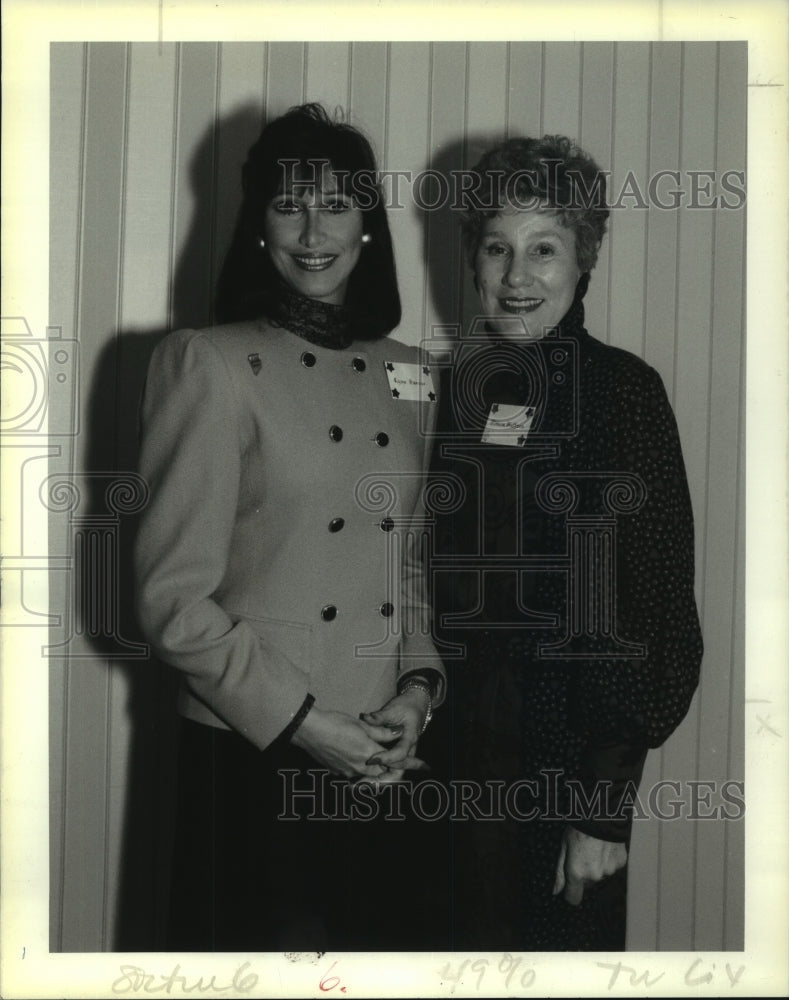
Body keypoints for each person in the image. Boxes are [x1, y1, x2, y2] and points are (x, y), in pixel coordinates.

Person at [134, 103, 444, 951]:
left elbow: (407, 568)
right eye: (287, 203)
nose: (313, 230)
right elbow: (172, 602)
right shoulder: (209, 362)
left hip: (382, 752)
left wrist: (417, 689)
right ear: (257, 225)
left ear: (369, 226)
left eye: (337, 204)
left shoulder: (413, 375)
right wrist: (308, 725)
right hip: (256, 751)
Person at [428, 134, 703, 950]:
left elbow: (651, 619)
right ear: (471, 261)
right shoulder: (454, 397)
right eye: (496, 248)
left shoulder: (623, 393)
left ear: (583, 259)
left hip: (560, 789)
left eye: (543, 249)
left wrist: (601, 813)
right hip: (440, 779)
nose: (516, 278)